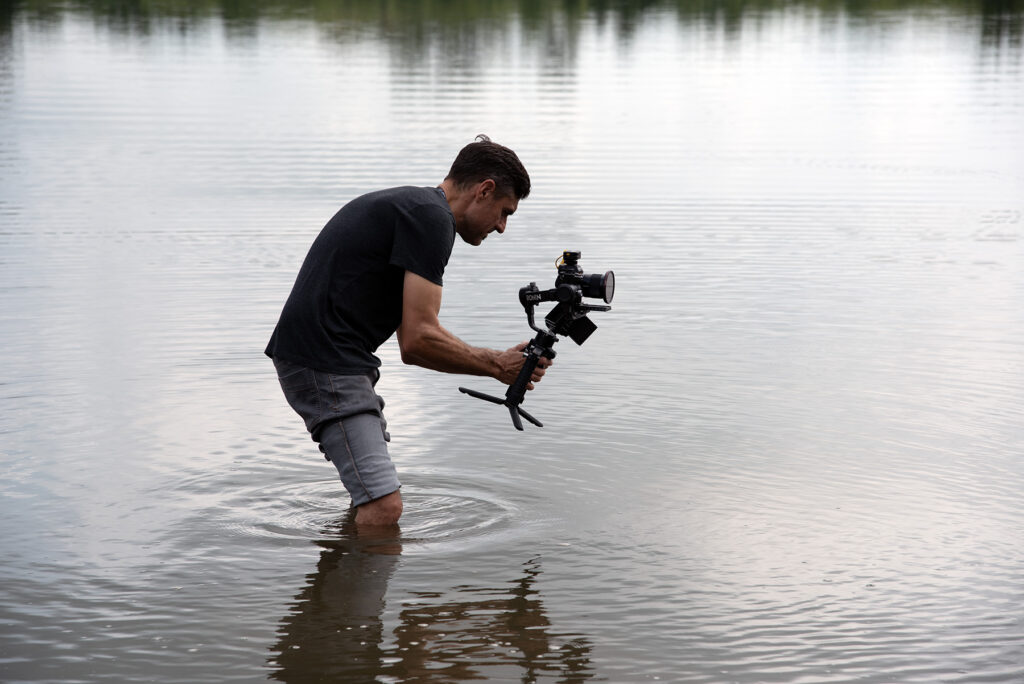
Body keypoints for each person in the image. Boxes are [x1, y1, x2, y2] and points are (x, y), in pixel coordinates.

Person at [265, 136, 550, 526]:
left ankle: (346, 574)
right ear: (484, 190)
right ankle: (354, 580)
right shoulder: (431, 219)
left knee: (372, 499)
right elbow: (417, 342)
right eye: (505, 212)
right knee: (384, 507)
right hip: (324, 363)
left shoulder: (417, 209)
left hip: (329, 359)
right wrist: (496, 365)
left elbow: (415, 333)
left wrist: (497, 362)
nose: (501, 227)